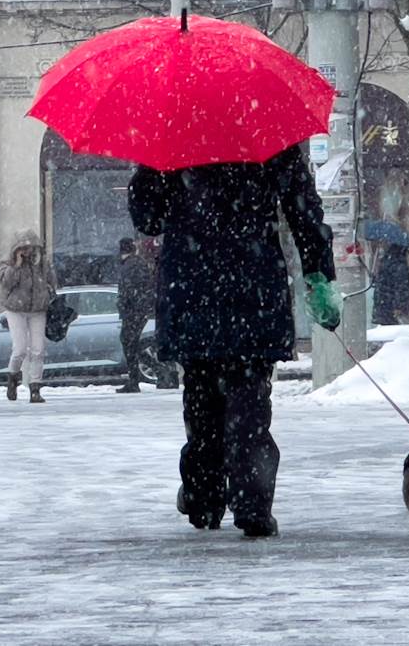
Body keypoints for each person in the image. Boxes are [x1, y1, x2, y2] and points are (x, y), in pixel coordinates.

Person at [129, 144, 340, 539]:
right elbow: (303, 211)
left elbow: (149, 218)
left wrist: (149, 168)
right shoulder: (269, 136)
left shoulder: (174, 133)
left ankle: (204, 496)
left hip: (192, 292)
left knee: (201, 403)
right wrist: (319, 274)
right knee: (250, 405)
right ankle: (252, 503)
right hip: (254, 291)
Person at [0, 229, 57, 404]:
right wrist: (15, 265)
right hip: (15, 309)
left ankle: (35, 389)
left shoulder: (42, 262)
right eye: (24, 247)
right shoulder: (8, 262)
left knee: (38, 350)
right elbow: (6, 283)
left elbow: (52, 282)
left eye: (31, 247)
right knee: (20, 350)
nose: (28, 251)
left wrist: (47, 292)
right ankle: (12, 379)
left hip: (38, 310)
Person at [116, 236, 156, 394]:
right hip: (138, 310)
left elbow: (128, 290)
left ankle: (136, 379)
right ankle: (144, 374)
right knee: (130, 343)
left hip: (133, 311)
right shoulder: (137, 263)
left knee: (129, 342)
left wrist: (125, 306)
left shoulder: (130, 265)